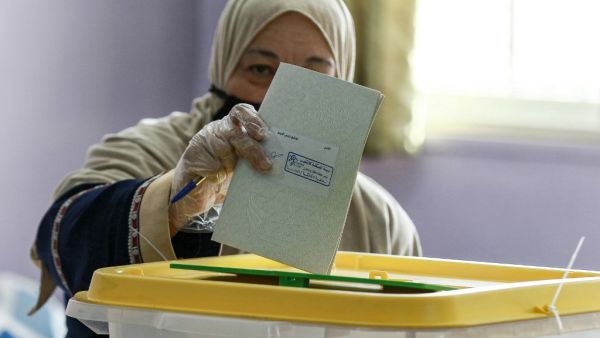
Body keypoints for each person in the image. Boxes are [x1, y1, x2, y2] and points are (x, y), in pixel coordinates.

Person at [30, 0, 422, 336]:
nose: (278, 97)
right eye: (261, 70)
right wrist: (175, 200)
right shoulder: (146, 151)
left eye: (314, 75)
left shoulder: (375, 219)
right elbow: (66, 240)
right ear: (223, 70)